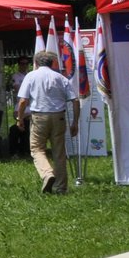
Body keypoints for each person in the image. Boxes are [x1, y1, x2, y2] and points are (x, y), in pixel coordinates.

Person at [17, 50, 80, 194]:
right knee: (59, 152)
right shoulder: (60, 77)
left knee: (37, 149)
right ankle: (61, 187)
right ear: (52, 63)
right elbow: (75, 100)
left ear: (36, 63)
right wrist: (75, 122)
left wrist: (19, 119)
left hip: (39, 117)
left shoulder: (31, 76)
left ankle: (47, 174)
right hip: (59, 117)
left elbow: (22, 101)